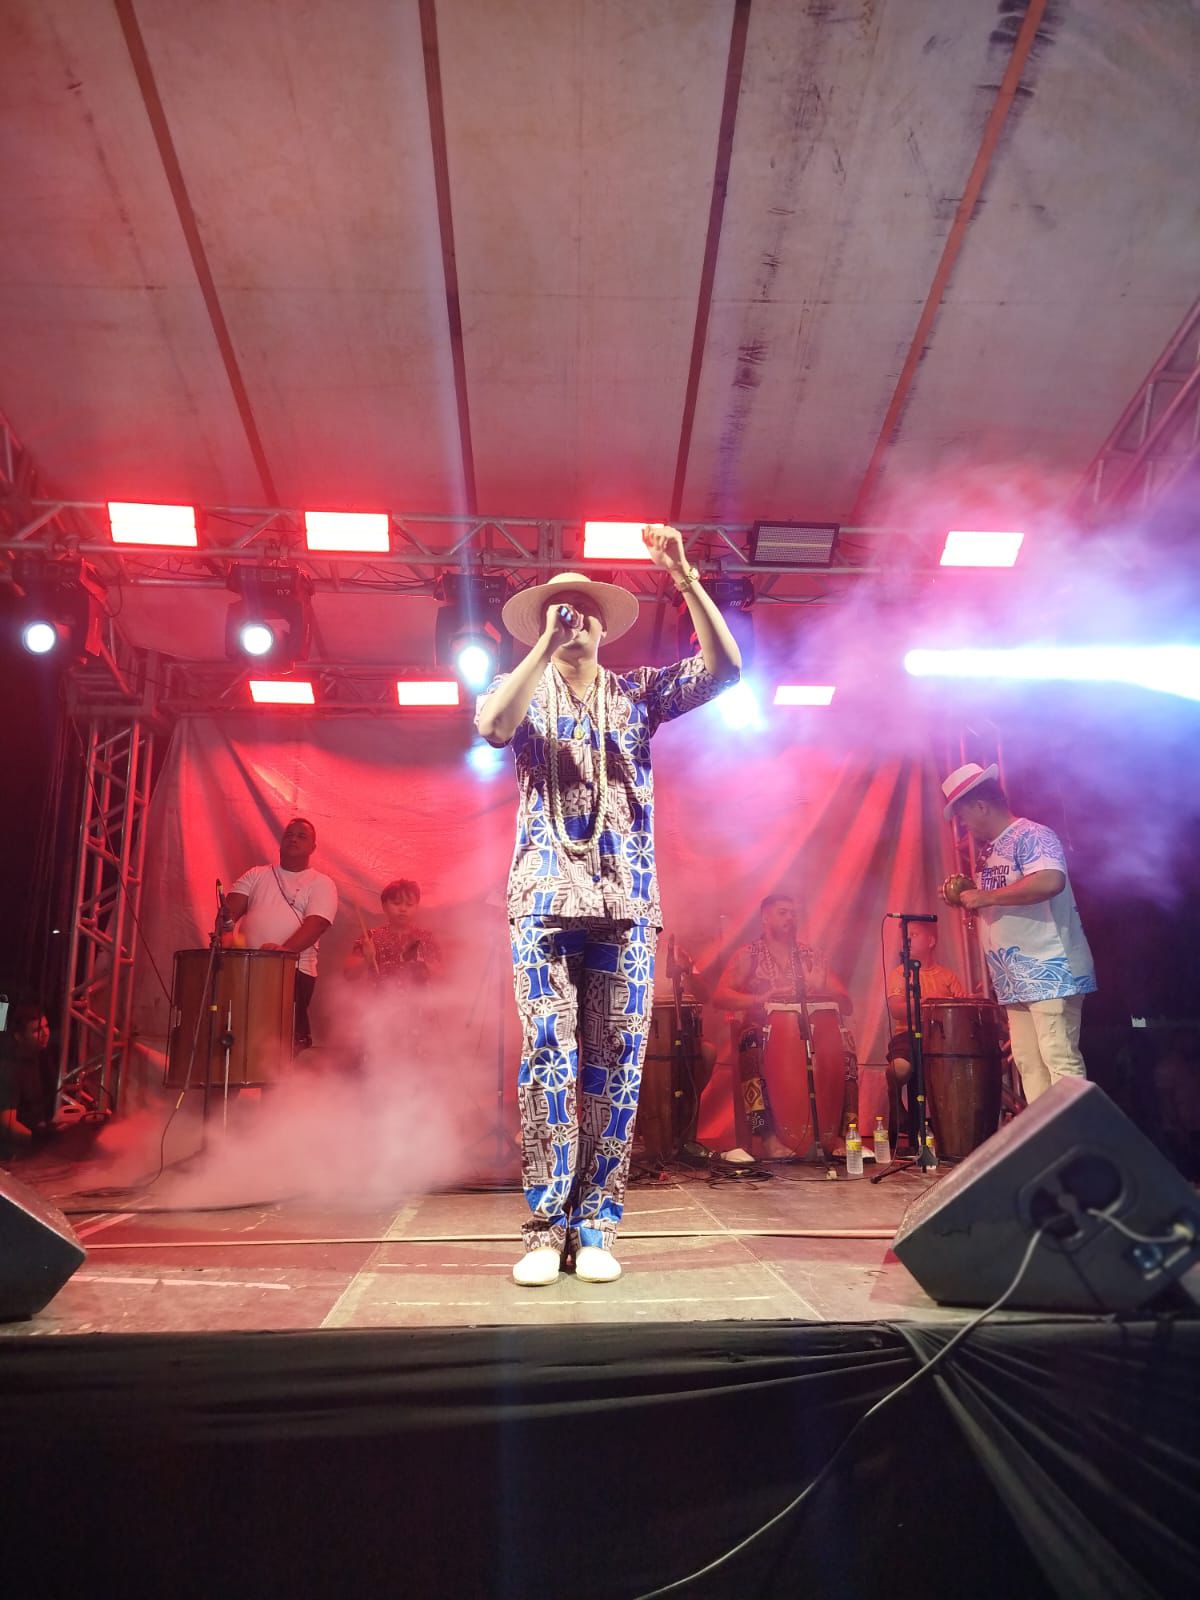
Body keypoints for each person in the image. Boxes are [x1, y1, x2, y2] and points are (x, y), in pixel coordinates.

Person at [476, 526, 741, 1287]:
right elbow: (492, 728)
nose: (574, 619)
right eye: (559, 610)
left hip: (625, 904)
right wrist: (541, 647)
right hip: (542, 901)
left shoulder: (637, 693)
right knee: (548, 1060)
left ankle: (597, 1223)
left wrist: (685, 578)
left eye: (585, 610)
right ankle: (544, 1229)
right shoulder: (519, 689)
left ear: (604, 626)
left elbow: (726, 671)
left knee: (616, 1067)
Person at [942, 763, 1095, 1102]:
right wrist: (970, 900)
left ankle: (1074, 1132)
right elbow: (1004, 902)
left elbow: (1050, 880)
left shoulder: (1033, 835)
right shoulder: (989, 852)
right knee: (1029, 1064)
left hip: (1051, 969)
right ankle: (1045, 1133)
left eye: (963, 816)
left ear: (981, 806)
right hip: (1015, 978)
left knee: (1059, 1058)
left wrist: (986, 897)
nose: (964, 826)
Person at [714, 894, 855, 1160]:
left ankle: (840, 1133)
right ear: (765, 918)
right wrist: (758, 999)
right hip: (762, 1031)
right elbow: (720, 996)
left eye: (793, 913)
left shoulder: (809, 955)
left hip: (808, 1034)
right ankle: (768, 1136)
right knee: (751, 1041)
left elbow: (846, 1004)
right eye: (782, 912)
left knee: (844, 1043)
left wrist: (822, 988)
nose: (790, 918)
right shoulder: (749, 954)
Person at [222, 817, 338, 1052]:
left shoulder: (322, 883)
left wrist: (284, 952)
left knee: (282, 1041)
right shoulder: (257, 874)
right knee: (241, 1035)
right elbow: (229, 913)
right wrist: (225, 931)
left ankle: (281, 1077)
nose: (293, 839)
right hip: (247, 969)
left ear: (313, 847)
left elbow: (317, 924)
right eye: (289, 835)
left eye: (301, 836)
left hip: (293, 970)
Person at [885, 921, 965, 1152]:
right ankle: (896, 1104)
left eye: (914, 934)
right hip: (908, 1035)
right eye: (906, 936)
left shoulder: (948, 976)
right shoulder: (900, 973)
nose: (908, 940)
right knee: (899, 1069)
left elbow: (960, 1008)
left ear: (931, 941)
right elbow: (896, 1009)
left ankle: (950, 1132)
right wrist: (926, 1004)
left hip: (942, 1038)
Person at [344, 879, 444, 988]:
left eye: (409, 904)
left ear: (416, 907)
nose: (403, 909)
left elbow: (441, 976)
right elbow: (349, 975)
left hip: (420, 998)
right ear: (384, 906)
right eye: (396, 903)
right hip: (380, 998)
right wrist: (366, 960)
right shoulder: (370, 937)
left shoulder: (425, 938)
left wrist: (421, 961)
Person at [0, 1006, 53, 1158]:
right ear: (19, 1036)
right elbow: (6, 1125)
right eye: (37, 1030)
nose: (45, 1033)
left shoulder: (41, 1060)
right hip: (12, 1157)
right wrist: (42, 1142)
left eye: (46, 1026)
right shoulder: (10, 1068)